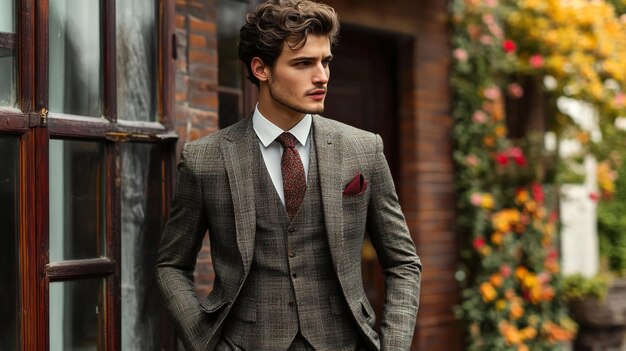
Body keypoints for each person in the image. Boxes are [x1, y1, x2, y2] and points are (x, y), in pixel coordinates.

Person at [155, 0, 421, 350]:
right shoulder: (205, 159)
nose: (322, 76)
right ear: (261, 69)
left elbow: (403, 262)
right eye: (303, 63)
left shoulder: (363, 148)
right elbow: (170, 265)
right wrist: (205, 342)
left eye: (325, 61)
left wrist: (394, 346)